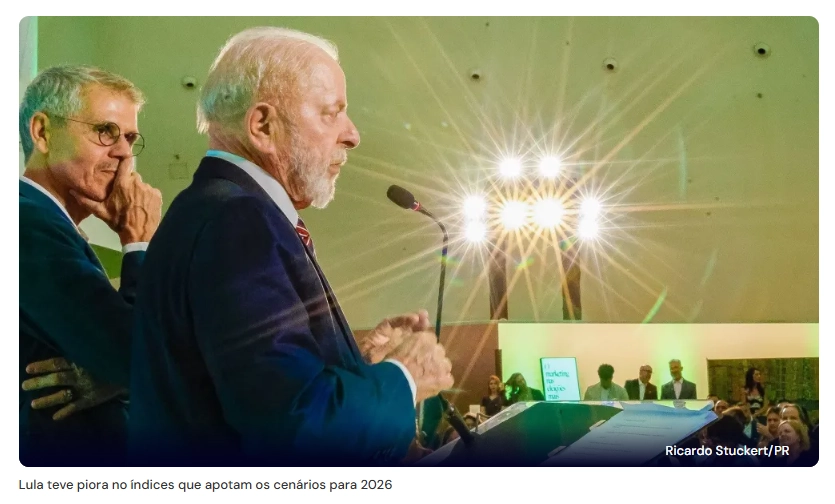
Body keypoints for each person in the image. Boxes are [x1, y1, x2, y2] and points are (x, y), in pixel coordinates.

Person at [127, 27, 453, 466]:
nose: (353, 135)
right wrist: (405, 376)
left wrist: (358, 365)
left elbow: (251, 387)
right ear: (263, 125)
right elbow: (293, 429)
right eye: (331, 113)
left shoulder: (217, 210)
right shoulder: (237, 221)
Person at [18, 65, 162, 466]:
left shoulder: (46, 221)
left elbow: (135, 359)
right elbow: (137, 355)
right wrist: (139, 241)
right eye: (105, 132)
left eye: (129, 138)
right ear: (42, 132)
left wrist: (111, 376)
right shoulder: (26, 221)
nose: (124, 153)